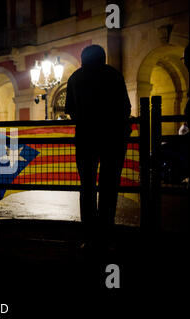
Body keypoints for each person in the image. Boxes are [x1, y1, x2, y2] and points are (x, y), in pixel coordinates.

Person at [65, 45, 132, 250]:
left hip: (86, 137)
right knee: (109, 186)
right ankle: (106, 233)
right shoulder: (114, 75)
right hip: (113, 138)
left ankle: (90, 236)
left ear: (83, 59)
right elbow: (126, 108)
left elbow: (70, 110)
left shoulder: (75, 78)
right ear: (102, 58)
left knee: (87, 187)